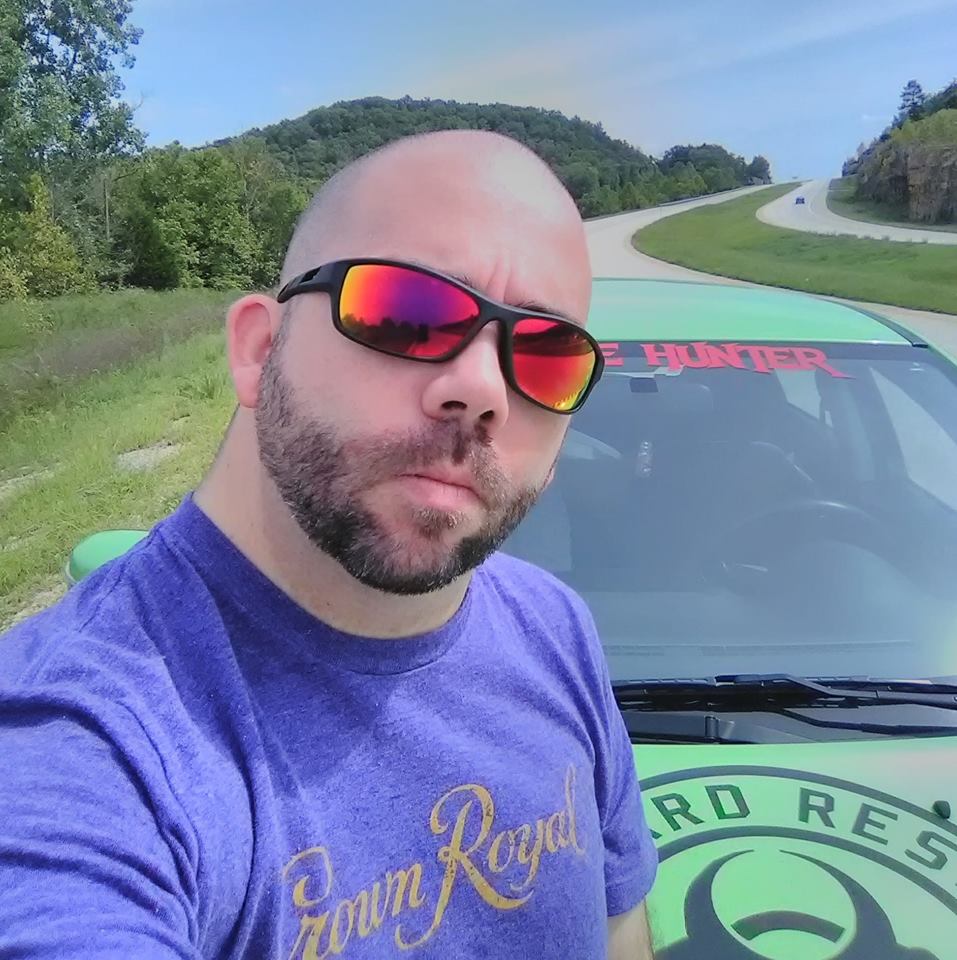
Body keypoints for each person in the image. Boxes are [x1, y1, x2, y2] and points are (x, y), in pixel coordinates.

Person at [0, 130, 658, 958]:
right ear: (258, 350)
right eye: (407, 314)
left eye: (546, 356)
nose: (481, 389)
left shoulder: (554, 631)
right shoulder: (82, 749)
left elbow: (623, 937)